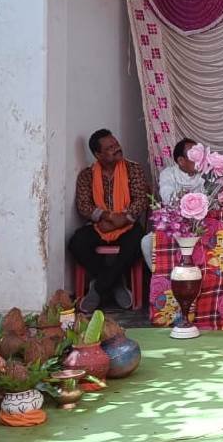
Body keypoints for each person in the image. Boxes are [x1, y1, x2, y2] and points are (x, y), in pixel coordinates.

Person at [68, 129, 150, 313]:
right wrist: (108, 217)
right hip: (101, 226)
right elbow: (83, 205)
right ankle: (115, 283)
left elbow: (141, 199)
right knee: (76, 242)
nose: (117, 148)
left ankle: (99, 286)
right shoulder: (87, 175)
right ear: (98, 154)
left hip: (127, 225)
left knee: (138, 242)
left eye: (116, 144)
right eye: (110, 147)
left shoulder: (133, 169)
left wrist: (124, 219)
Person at [141, 138, 205, 269]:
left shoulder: (206, 174)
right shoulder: (168, 174)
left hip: (201, 225)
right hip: (174, 224)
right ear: (181, 160)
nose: (199, 159)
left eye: (200, 154)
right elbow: (168, 198)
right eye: (194, 155)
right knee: (147, 242)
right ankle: (162, 277)